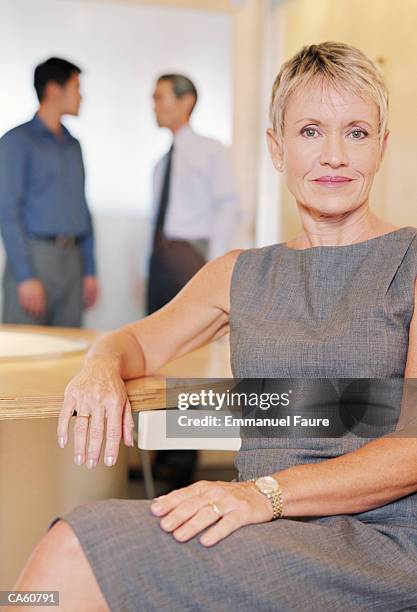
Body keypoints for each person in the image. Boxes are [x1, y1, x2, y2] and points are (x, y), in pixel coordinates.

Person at [9, 42, 417, 611]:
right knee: (71, 547)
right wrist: (100, 366)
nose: (333, 156)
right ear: (276, 148)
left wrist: (261, 495)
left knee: (75, 551)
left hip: (379, 541)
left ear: (382, 147)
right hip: (254, 526)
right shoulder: (239, 274)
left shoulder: (412, 262)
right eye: (309, 132)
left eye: (356, 133)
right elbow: (131, 341)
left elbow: (412, 449)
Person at [147, 73, 239, 488]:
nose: (154, 104)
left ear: (186, 102)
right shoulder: (161, 161)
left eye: (160, 97)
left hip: (192, 258)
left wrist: (214, 267)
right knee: (159, 355)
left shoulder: (210, 151)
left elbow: (227, 206)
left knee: (192, 361)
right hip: (162, 258)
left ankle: (184, 463)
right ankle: (163, 455)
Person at [0, 57, 98, 327]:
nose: (81, 96)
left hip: (73, 260)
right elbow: (8, 211)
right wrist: (25, 276)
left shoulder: (73, 146)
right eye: (77, 87)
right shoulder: (16, 142)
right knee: (26, 353)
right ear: (54, 90)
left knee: (69, 353)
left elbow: (83, 209)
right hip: (36, 256)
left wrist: (89, 270)